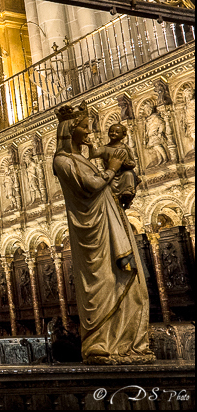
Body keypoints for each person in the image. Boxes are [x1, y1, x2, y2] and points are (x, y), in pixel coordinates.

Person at [52, 104, 154, 365]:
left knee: (135, 289)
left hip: (111, 222)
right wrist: (112, 167)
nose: (89, 132)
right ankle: (102, 345)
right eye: (84, 127)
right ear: (69, 130)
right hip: (93, 233)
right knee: (106, 284)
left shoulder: (83, 158)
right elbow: (92, 186)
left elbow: (104, 188)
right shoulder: (62, 161)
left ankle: (128, 346)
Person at [91, 123, 140, 209]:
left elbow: (132, 162)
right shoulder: (104, 148)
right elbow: (94, 154)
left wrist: (128, 164)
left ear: (123, 135)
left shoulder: (125, 148)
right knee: (110, 184)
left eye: (117, 132)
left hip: (123, 173)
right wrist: (90, 146)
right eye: (111, 131)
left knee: (129, 174)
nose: (114, 133)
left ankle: (127, 193)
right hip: (112, 174)